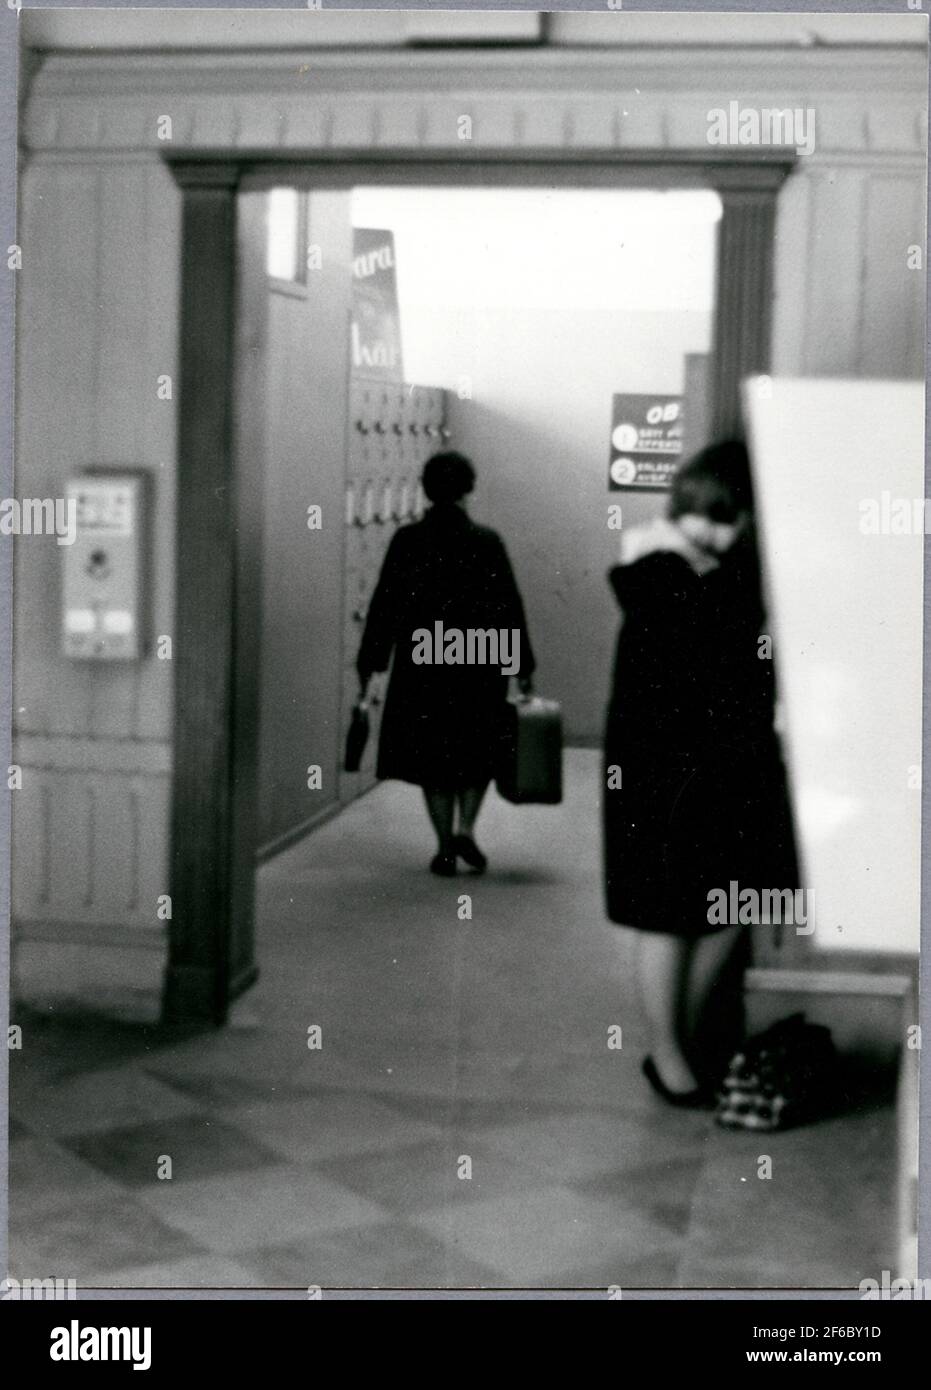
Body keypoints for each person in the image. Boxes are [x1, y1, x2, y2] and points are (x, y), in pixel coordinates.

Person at [603, 440, 796, 1106]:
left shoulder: (716, 569)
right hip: (665, 772)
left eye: (737, 517)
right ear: (684, 507)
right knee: (669, 912)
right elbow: (699, 662)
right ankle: (667, 1055)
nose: (724, 531)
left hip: (726, 765)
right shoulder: (659, 571)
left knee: (735, 902)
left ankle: (675, 1040)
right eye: (713, 516)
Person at [357, 451, 535, 876]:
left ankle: (443, 845)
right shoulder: (487, 541)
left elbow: (386, 604)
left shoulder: (407, 540)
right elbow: (508, 606)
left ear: (426, 488)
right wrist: (521, 665)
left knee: (433, 754)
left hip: (425, 663)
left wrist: (372, 660)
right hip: (479, 658)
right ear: (468, 489)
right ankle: (468, 829)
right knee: (476, 750)